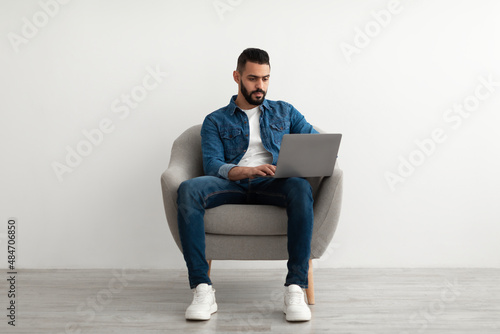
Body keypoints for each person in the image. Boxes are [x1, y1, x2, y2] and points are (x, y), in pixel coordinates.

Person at [177, 48, 318, 322]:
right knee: (188, 189)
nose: (260, 86)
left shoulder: (285, 111)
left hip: (273, 184)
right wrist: (247, 170)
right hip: (231, 184)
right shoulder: (215, 120)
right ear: (237, 76)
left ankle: (295, 287)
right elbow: (213, 165)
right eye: (253, 78)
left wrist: (313, 160)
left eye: (265, 79)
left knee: (300, 187)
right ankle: (202, 288)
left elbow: (314, 142)